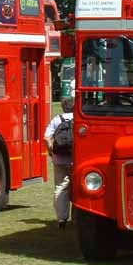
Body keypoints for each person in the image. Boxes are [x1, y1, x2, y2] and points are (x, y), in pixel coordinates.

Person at [44, 96, 74, 228]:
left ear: (62, 106)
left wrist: (51, 150)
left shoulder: (57, 119)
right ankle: (77, 217)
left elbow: (46, 137)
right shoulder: (77, 118)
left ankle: (62, 218)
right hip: (75, 159)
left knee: (61, 187)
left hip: (59, 159)